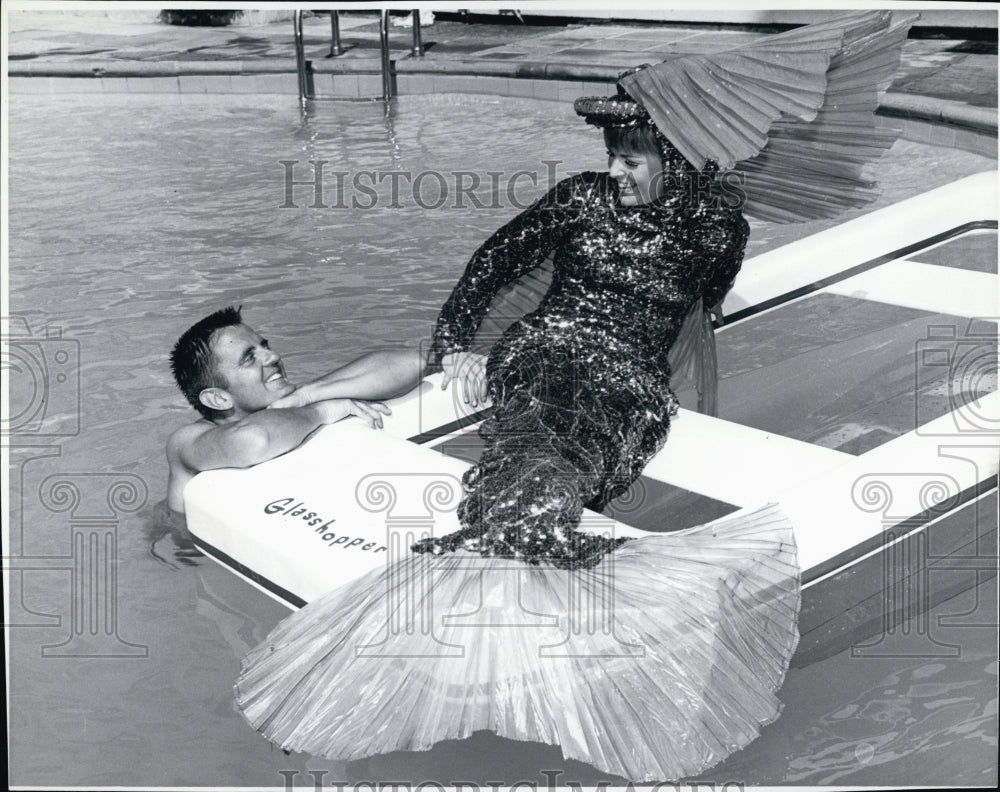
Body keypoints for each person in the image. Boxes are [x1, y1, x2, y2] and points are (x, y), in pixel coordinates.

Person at [235, 10, 913, 782]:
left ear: (679, 156)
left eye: (631, 158)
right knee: (540, 433)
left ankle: (521, 560)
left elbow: (708, 298)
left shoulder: (722, 222)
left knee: (583, 440)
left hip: (630, 383)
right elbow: (490, 265)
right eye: (613, 157)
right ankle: (521, 543)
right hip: (546, 351)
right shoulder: (578, 200)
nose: (616, 172)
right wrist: (458, 343)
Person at [165, 305, 425, 515]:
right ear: (218, 399)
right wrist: (321, 411)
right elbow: (253, 440)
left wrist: (308, 394)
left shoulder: (291, 403)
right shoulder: (187, 442)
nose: (273, 356)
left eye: (264, 346)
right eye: (249, 358)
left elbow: (415, 362)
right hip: (186, 560)